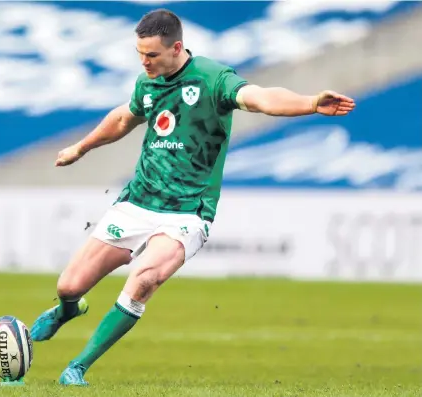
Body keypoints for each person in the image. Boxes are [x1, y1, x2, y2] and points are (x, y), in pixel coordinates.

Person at [30, 9, 356, 386]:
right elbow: (123, 118)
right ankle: (68, 310)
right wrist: (81, 148)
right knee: (68, 286)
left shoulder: (212, 77)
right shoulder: (147, 83)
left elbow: (260, 97)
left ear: (177, 48)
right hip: (138, 201)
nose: (144, 62)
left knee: (143, 280)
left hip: (187, 212)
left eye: (151, 55)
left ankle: (77, 367)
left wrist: (311, 102)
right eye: (140, 54)